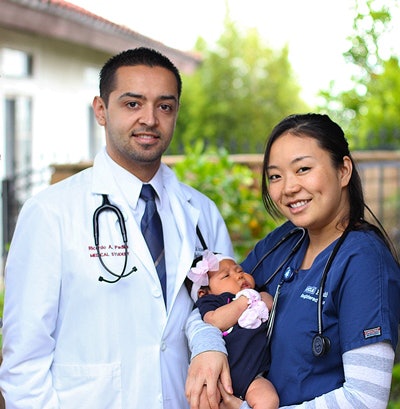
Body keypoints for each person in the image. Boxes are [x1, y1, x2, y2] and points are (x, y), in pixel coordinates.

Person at [0, 47, 234, 409]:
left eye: (165, 106)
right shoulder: (50, 213)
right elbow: (24, 360)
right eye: (132, 104)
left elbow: (223, 315)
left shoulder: (201, 212)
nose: (150, 119)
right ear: (101, 110)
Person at [185, 113, 400, 409]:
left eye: (303, 169)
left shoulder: (363, 261)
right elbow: (206, 300)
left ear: (344, 170)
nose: (287, 188)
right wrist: (207, 347)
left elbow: (365, 399)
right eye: (275, 176)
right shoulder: (284, 242)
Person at [186, 250, 278, 409]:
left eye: (240, 270)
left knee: (268, 400)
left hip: (253, 378)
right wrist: (245, 300)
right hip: (217, 378)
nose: (239, 276)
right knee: (201, 401)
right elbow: (215, 320)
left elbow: (270, 303)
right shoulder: (213, 302)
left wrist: (255, 296)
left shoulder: (258, 293)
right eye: (226, 276)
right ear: (203, 293)